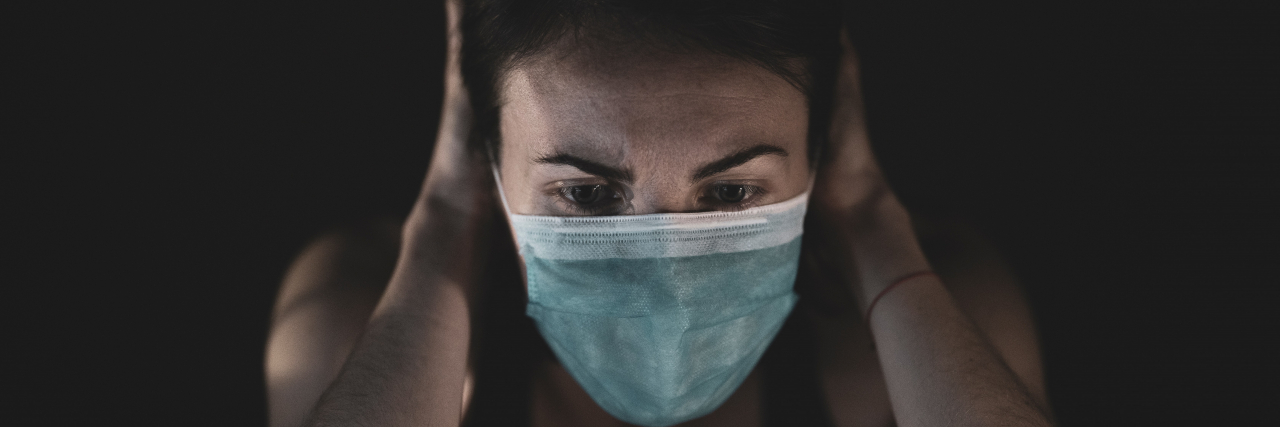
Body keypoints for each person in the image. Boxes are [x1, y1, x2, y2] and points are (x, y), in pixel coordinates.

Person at [265, 1, 1055, 426]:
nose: (667, 278)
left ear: (819, 156)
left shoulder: (933, 324)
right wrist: (442, 229)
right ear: (489, 157)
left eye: (731, 193)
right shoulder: (353, 320)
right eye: (585, 193)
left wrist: (874, 224)